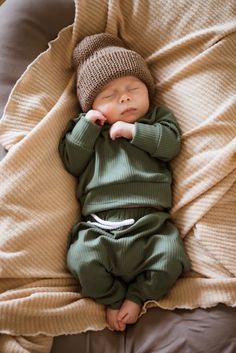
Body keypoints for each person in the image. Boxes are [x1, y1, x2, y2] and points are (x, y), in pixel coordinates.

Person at [59, 33, 191, 332]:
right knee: (80, 258)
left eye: (133, 88)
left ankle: (138, 297)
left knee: (171, 258)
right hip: (98, 228)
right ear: (90, 105)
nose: (125, 97)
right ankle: (113, 300)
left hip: (151, 225)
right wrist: (87, 126)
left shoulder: (157, 120)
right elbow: (71, 161)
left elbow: (171, 146)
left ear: (148, 91)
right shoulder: (88, 130)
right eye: (109, 96)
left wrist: (135, 133)